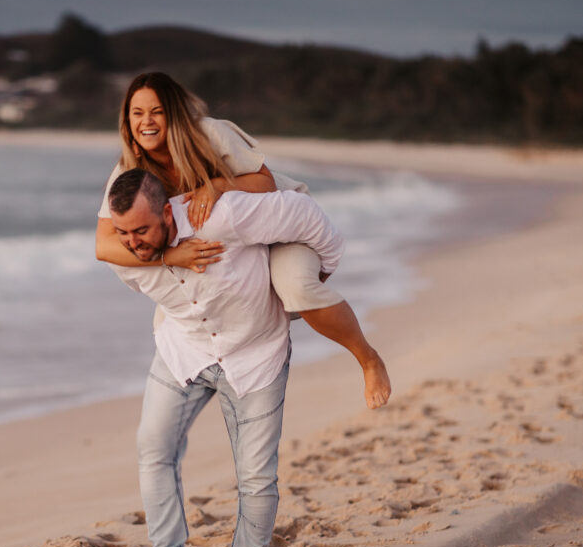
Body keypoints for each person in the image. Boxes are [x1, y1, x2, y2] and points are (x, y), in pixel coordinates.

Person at [105, 167, 346, 547]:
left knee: (256, 476)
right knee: (152, 449)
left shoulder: (223, 216)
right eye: (122, 231)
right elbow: (137, 259)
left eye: (141, 229)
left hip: (255, 356)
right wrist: (165, 257)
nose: (131, 242)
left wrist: (314, 279)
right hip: (185, 353)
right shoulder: (127, 258)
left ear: (169, 214)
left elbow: (307, 215)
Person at [96, 72, 390, 410]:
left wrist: (217, 185)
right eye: (137, 113)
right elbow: (104, 246)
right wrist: (171, 257)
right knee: (169, 321)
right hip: (234, 243)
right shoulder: (129, 170)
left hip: (279, 229)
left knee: (295, 287)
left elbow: (264, 182)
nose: (146, 121)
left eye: (157, 111)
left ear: (174, 112)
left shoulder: (208, 134)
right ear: (127, 119)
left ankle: (368, 359)